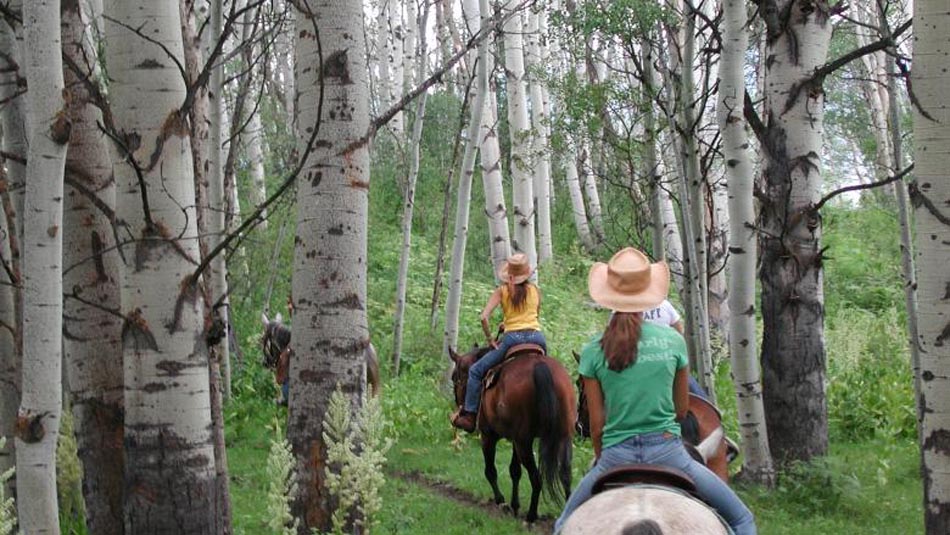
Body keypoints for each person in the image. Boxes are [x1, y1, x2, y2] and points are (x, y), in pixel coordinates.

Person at [554, 248, 755, 535]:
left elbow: (597, 427)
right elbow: (682, 410)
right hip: (668, 452)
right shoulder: (672, 342)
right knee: (741, 520)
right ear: (648, 292)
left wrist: (604, 459)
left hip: (614, 456)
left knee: (562, 525)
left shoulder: (592, 351)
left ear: (609, 295)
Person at [451, 253, 547, 433]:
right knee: (546, 370)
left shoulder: (502, 290)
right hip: (537, 338)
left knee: (475, 371)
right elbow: (531, 316)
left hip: (512, 340)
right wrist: (511, 321)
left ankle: (470, 416)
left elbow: (483, 318)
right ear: (526, 273)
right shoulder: (535, 290)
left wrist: (490, 339)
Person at [643, 299, 708, 399]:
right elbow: (679, 333)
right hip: (666, 360)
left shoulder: (621, 309)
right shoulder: (664, 304)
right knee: (699, 398)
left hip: (637, 362)